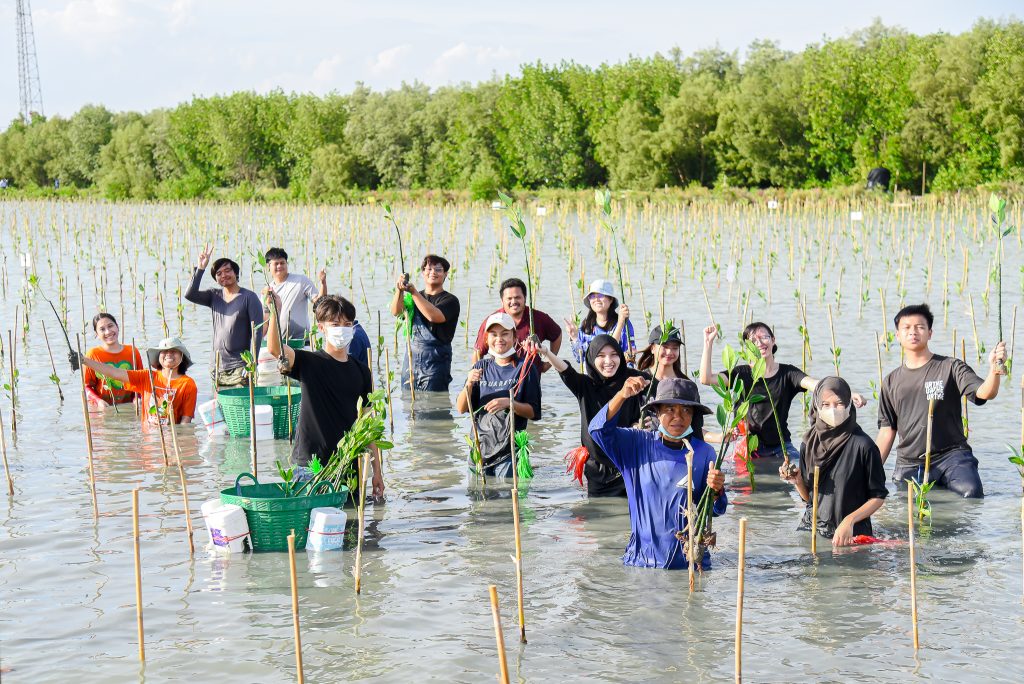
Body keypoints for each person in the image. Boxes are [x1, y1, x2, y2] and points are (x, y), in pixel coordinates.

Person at [589, 376, 727, 569]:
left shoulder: (704, 453)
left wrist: (717, 490)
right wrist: (622, 395)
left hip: (690, 565)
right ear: (656, 412)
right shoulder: (636, 444)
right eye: (670, 409)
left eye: (686, 410)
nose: (678, 417)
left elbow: (716, 510)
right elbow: (597, 430)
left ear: (694, 415)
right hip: (643, 562)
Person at [876, 303, 1006, 498]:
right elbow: (887, 432)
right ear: (897, 335)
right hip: (910, 461)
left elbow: (985, 392)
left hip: (952, 456)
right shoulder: (891, 381)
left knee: (972, 493)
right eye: (907, 327)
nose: (913, 332)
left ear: (930, 333)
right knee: (907, 513)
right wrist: (869, 471)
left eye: (920, 327)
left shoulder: (950, 367)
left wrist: (994, 370)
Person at [264, 290, 385, 499]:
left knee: (351, 526)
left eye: (348, 325)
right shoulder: (309, 362)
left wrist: (377, 471)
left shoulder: (361, 371)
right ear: (321, 328)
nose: (343, 330)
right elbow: (275, 349)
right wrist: (276, 311)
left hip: (348, 463)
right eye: (335, 324)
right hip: (311, 465)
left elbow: (367, 422)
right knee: (312, 527)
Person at [699, 322, 865, 461]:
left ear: (773, 340)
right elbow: (706, 379)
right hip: (746, 446)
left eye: (764, 337)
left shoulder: (788, 373)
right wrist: (708, 343)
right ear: (748, 347)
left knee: (802, 470)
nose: (760, 343)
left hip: (780, 446)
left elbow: (818, 385)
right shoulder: (740, 374)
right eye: (753, 340)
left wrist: (847, 394)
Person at [780, 377, 888, 546]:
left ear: (848, 405)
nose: (833, 410)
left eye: (839, 403)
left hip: (851, 536)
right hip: (812, 529)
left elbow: (878, 497)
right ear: (817, 406)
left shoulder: (864, 446)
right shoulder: (808, 444)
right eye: (826, 404)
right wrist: (797, 481)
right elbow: (810, 498)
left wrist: (849, 521)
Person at [537, 333, 645, 497]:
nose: (608, 361)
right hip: (598, 470)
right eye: (601, 356)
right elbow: (564, 369)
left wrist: (644, 423)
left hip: (630, 466)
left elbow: (658, 398)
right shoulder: (584, 386)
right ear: (591, 359)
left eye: (614, 355)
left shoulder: (633, 381)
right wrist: (545, 351)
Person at [456, 313, 542, 477]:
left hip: (508, 452)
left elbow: (534, 413)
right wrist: (469, 383)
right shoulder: (480, 366)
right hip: (479, 449)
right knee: (476, 500)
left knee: (506, 500)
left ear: (514, 336)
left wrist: (510, 403)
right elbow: (461, 408)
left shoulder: (525, 368)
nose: (499, 339)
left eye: (504, 334)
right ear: (487, 338)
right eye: (494, 334)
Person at [185, 244, 264, 388]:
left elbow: (257, 331)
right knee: (221, 408)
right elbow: (190, 294)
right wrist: (201, 268)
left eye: (227, 270)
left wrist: (253, 362)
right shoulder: (214, 296)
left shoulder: (249, 297)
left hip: (241, 367)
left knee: (242, 408)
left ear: (236, 273)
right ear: (216, 279)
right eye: (219, 273)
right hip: (217, 367)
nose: (224, 275)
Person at [73, 337, 198, 424]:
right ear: (158, 356)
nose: (168, 354)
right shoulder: (147, 377)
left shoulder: (188, 384)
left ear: (182, 357)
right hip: (148, 441)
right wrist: (84, 360)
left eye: (174, 351)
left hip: (171, 439)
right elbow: (114, 373)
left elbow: (185, 421)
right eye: (164, 351)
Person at [388, 254, 461, 391]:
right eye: (429, 269)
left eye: (438, 270)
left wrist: (414, 292)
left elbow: (434, 316)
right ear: (423, 273)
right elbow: (396, 311)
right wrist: (399, 290)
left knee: (433, 405)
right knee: (409, 403)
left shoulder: (450, 300)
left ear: (445, 274)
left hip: (436, 363)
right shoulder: (411, 296)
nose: (433, 272)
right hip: (411, 361)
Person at [472, 278, 562, 371]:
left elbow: (557, 335)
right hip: (500, 379)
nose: (513, 302)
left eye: (517, 297)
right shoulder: (492, 321)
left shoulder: (539, 318)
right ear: (502, 301)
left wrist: (549, 363)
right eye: (509, 298)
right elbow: (478, 352)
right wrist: (477, 379)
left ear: (525, 298)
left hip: (530, 378)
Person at [635, 324, 703, 437]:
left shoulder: (686, 384)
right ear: (652, 348)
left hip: (677, 446)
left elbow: (695, 427)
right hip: (646, 442)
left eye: (675, 348)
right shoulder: (640, 380)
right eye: (665, 346)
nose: (670, 352)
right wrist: (635, 425)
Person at [564, 279, 635, 364]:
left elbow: (629, 355)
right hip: (592, 375)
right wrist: (574, 337)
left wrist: (620, 324)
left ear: (611, 299)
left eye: (601, 295)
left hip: (618, 373)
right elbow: (580, 358)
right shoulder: (586, 326)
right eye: (592, 296)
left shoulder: (623, 323)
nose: (596, 299)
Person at [263, 247, 326, 342]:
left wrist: (323, 283)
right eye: (276, 264)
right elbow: (266, 321)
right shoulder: (267, 290)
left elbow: (320, 303)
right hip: (278, 343)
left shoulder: (301, 281)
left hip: (303, 341)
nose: (279, 266)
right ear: (268, 266)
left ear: (287, 264)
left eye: (282, 263)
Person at [83, 313, 143, 406]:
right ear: (97, 334)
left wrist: (137, 398)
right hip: (103, 408)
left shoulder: (132, 351)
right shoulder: (92, 355)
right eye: (102, 329)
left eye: (110, 326)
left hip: (130, 406)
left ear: (117, 327)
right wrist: (98, 401)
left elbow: (140, 381)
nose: (108, 332)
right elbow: (87, 386)